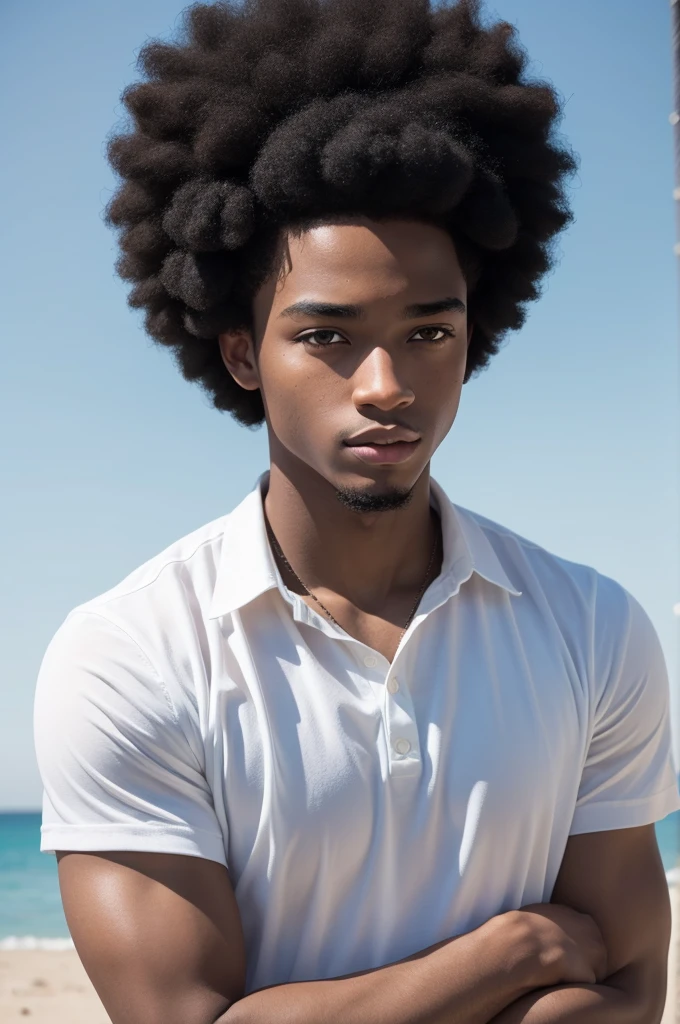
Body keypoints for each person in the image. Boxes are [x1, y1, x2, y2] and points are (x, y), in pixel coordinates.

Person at [33, 0, 680, 1021]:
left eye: (427, 333)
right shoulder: (129, 653)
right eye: (327, 336)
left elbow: (628, 995)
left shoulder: (592, 631)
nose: (384, 384)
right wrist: (506, 956)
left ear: (473, 340)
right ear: (244, 353)